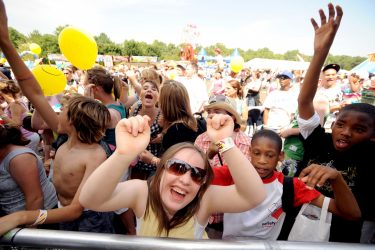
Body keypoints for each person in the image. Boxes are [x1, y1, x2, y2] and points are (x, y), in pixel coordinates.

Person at [0, 1, 115, 233]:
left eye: (62, 111)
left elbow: (76, 210)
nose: (56, 113)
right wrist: (6, 43)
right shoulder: (64, 133)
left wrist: (21, 217)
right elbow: (34, 91)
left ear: (72, 121)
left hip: (88, 223)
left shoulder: (95, 155)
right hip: (59, 210)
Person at [79, 114, 266, 239]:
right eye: (177, 167)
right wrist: (124, 153)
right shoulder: (142, 193)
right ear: (160, 171)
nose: (185, 180)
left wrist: (225, 143)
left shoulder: (203, 200)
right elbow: (91, 199)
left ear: (202, 183)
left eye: (196, 174)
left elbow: (254, 196)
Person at [297, 3, 374, 243]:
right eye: (341, 124)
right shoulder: (318, 140)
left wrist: (335, 178)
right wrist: (320, 52)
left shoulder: (371, 158)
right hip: (296, 229)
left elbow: (354, 213)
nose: (346, 132)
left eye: (359, 129)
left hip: (340, 239)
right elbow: (304, 101)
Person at [214, 128, 360, 240]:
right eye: (257, 153)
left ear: (280, 156)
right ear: (250, 152)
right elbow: (197, 177)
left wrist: (337, 178)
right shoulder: (232, 173)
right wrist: (217, 145)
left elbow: (351, 213)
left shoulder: (291, 186)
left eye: (269, 155)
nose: (262, 160)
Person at [195, 94, 251, 239]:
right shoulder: (201, 139)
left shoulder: (246, 142)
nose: (212, 115)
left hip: (232, 221)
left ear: (232, 117)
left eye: (218, 111)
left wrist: (224, 146)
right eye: (210, 112)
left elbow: (241, 181)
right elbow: (194, 175)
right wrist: (209, 155)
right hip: (202, 217)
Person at [0, 124, 57, 217]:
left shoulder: (20, 158)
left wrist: (30, 229)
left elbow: (35, 198)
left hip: (38, 216)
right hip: (11, 215)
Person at [84, 66, 126, 148]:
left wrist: (87, 104)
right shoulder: (117, 103)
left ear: (94, 88)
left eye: (85, 86)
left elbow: (88, 136)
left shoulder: (108, 113)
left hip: (110, 157)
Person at [0, 80, 40, 153]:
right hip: (27, 136)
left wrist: (1, 113)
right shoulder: (16, 101)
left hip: (27, 137)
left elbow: (16, 125)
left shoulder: (14, 104)